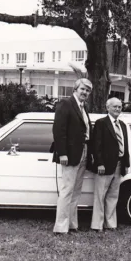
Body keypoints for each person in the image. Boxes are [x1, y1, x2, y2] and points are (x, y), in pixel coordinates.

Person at [52, 78, 93, 235]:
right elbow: (58, 131)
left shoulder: (83, 107)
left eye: (88, 91)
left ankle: (72, 224)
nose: (85, 93)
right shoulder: (66, 104)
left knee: (76, 191)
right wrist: (62, 153)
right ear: (75, 89)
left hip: (83, 152)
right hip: (69, 154)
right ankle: (61, 227)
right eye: (83, 89)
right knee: (67, 190)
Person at [91, 97, 130, 232]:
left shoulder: (123, 125)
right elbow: (96, 145)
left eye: (119, 107)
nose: (118, 109)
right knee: (100, 195)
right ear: (108, 108)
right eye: (115, 107)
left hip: (119, 164)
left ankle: (111, 224)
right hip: (105, 166)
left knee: (113, 195)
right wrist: (99, 164)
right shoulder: (101, 123)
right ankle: (97, 225)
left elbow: (125, 146)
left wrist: (126, 163)